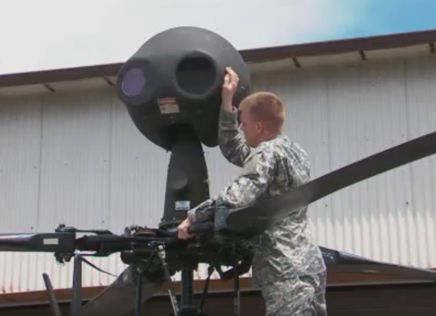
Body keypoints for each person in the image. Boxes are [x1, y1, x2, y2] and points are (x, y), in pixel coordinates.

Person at [178, 67, 327, 315]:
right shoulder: (295, 152)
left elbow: (239, 195)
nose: (242, 129)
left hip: (284, 267)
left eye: (244, 124)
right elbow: (234, 148)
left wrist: (193, 217)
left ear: (259, 126)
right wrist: (227, 102)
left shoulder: (267, 153)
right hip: (307, 263)